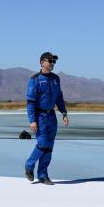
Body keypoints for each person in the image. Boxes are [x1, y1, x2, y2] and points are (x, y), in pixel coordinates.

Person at [24, 52, 69, 185]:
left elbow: (59, 98)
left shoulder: (56, 79)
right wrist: (32, 120)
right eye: (50, 61)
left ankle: (43, 175)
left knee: (49, 146)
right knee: (42, 143)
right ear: (42, 63)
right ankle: (29, 165)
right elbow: (30, 102)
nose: (52, 64)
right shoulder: (35, 79)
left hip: (51, 116)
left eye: (54, 62)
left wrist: (64, 113)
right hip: (40, 116)